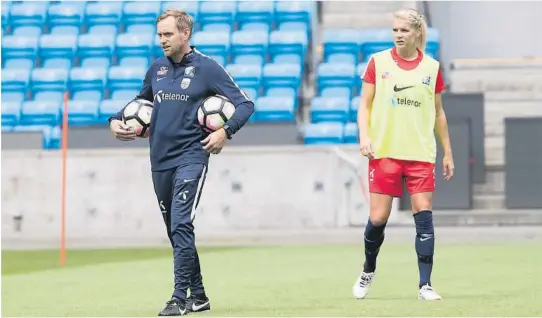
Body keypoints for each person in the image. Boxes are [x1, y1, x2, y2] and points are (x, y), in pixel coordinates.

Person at [108, 9, 254, 316]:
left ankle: (178, 298)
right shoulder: (156, 69)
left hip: (191, 156)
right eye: (159, 34)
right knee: (176, 230)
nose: (162, 40)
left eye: (167, 34)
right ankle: (198, 295)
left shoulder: (207, 68)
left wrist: (224, 132)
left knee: (182, 222)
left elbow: (245, 104)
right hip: (159, 158)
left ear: (184, 34)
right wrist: (115, 120)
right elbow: (139, 102)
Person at [353, 8, 454, 301]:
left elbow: (439, 113)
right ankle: (368, 268)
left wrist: (447, 151)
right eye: (395, 30)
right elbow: (365, 104)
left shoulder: (432, 68)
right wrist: (365, 136)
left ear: (416, 33)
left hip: (420, 153)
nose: (398, 35)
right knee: (378, 218)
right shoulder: (378, 62)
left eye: (404, 30)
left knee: (423, 214)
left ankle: (425, 285)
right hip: (384, 152)